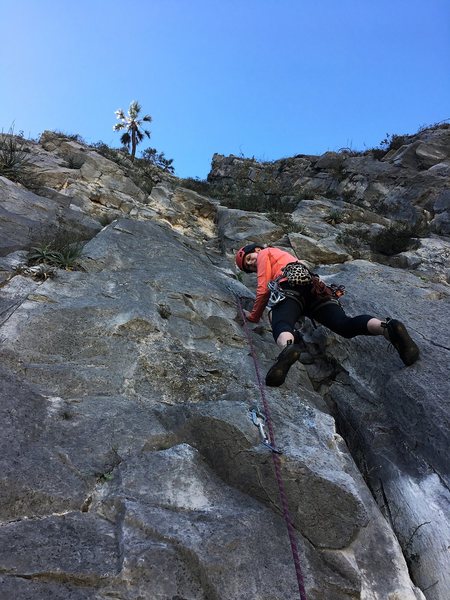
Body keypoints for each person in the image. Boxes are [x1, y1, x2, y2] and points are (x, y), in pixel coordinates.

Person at [235, 243, 420, 387]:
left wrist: (253, 316)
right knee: (345, 325)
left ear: (257, 249)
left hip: (290, 289)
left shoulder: (265, 253)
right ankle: (387, 328)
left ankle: (288, 349)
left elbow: (262, 291)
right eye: (249, 267)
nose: (252, 264)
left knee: (281, 322)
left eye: (250, 259)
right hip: (318, 291)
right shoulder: (285, 255)